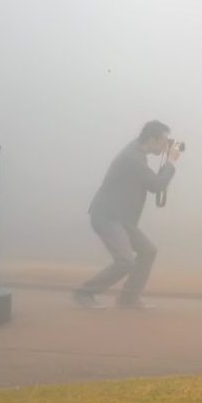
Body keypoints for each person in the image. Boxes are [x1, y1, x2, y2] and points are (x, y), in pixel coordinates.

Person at [73, 120, 181, 309]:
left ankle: (128, 299)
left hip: (120, 218)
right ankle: (84, 293)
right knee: (125, 261)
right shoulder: (132, 158)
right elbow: (157, 186)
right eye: (163, 141)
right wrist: (171, 161)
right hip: (107, 216)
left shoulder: (137, 150)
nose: (166, 145)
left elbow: (152, 182)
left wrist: (166, 158)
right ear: (151, 139)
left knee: (148, 251)